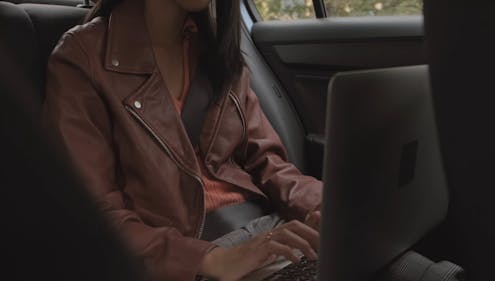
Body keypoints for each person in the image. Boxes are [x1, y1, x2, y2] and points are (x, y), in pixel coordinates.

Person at [44, 0, 323, 280]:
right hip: (185, 260)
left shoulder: (216, 47)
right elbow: (94, 214)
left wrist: (324, 206)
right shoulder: (82, 57)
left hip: (269, 235)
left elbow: (268, 162)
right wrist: (210, 259)